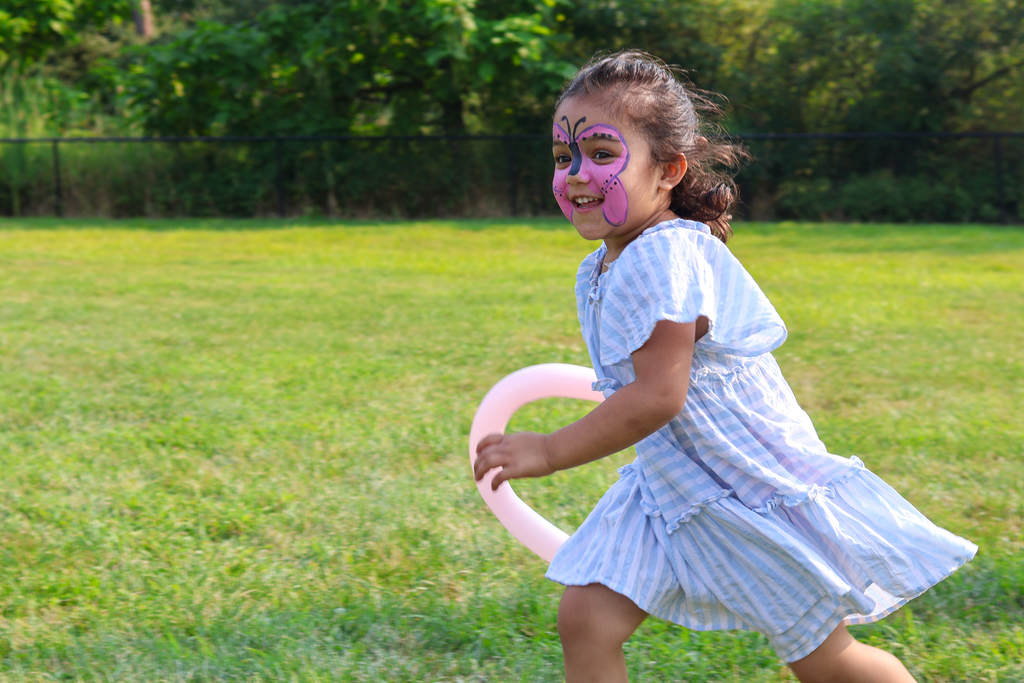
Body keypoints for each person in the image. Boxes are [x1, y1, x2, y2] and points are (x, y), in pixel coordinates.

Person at [472, 51, 977, 683]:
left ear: (668, 171)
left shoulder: (665, 253)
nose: (575, 173)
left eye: (602, 153)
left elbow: (658, 396)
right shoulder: (604, 262)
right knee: (588, 618)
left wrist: (548, 450)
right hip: (668, 484)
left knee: (824, 661)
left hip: (739, 486)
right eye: (561, 156)